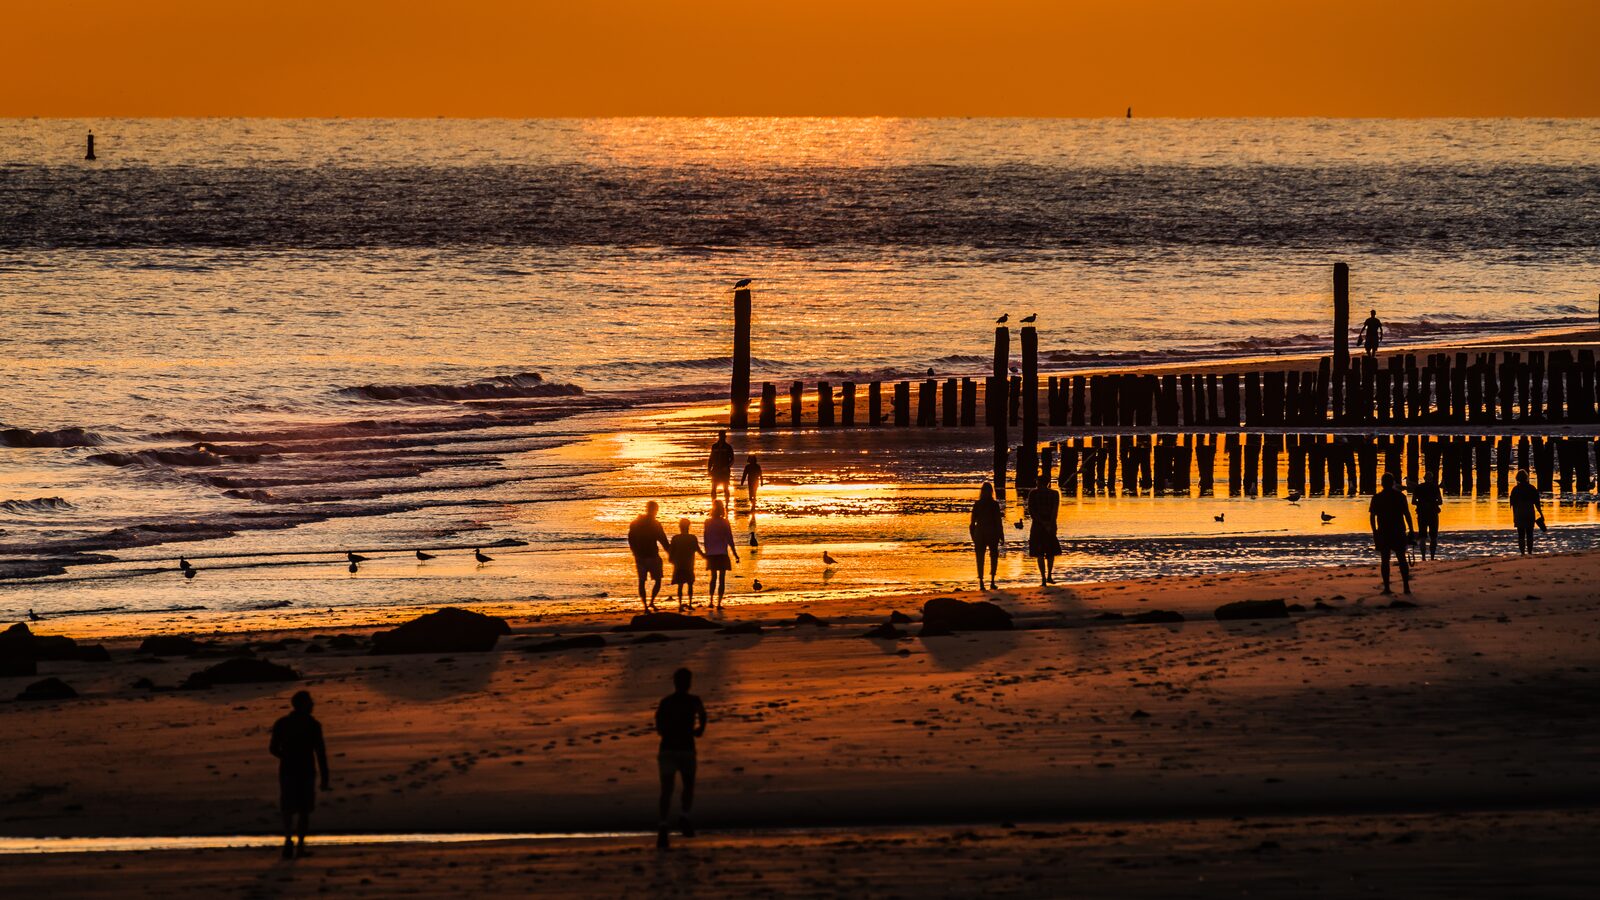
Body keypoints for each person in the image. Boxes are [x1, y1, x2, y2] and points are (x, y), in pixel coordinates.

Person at [269, 690, 330, 859]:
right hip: (305, 770)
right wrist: (325, 777)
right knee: (304, 810)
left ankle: (288, 840)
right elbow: (320, 752)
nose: (313, 704)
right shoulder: (313, 725)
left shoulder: (282, 723)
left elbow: (273, 749)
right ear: (304, 705)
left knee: (288, 808)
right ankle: (300, 847)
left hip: (287, 769)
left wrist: (286, 756)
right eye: (310, 702)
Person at [655, 667, 707, 850]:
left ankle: (663, 824)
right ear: (688, 683)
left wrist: (667, 732)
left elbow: (659, 725)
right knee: (688, 785)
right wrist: (699, 729)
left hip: (667, 749)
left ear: (675, 683)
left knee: (667, 789)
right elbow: (703, 714)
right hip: (686, 748)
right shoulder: (693, 700)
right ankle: (684, 816)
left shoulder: (666, 702)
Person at [1368, 473, 1414, 594]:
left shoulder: (1377, 498)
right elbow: (1407, 514)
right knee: (1402, 559)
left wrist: (1374, 532)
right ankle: (1406, 587)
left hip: (1384, 532)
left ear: (1382, 483)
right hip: (1398, 531)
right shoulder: (1400, 497)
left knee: (1385, 560)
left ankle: (1387, 588)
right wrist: (1412, 530)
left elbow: (1372, 517)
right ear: (1393, 483)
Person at [628, 501, 671, 612]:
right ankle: (651, 602)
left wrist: (634, 551)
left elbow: (630, 538)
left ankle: (646, 606)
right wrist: (671, 554)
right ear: (655, 510)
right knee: (657, 580)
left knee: (642, 581)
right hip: (652, 556)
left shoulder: (636, 523)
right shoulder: (655, 524)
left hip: (641, 556)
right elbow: (663, 541)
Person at [1027, 455, 1062, 586]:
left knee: (1039, 552)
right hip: (1050, 524)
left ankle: (1043, 578)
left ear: (1038, 482)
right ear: (1048, 483)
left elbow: (1032, 512)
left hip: (1037, 525)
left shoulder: (1033, 493)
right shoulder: (1054, 494)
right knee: (1051, 552)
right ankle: (1049, 576)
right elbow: (1055, 510)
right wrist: (1050, 524)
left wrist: (1042, 523)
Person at [703, 500, 740, 610]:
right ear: (722, 509)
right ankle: (719, 603)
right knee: (722, 579)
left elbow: (706, 538)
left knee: (713, 578)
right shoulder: (725, 522)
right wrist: (735, 554)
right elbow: (730, 539)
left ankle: (710, 601)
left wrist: (707, 552)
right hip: (722, 553)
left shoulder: (707, 522)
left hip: (711, 553)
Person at [969, 481, 1004, 590]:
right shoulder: (994, 504)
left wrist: (973, 536)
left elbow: (972, 523)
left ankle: (981, 582)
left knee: (980, 557)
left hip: (979, 532)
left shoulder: (977, 504)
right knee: (994, 556)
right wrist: (1001, 535)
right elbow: (998, 521)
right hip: (992, 532)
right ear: (991, 492)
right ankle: (992, 581)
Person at [668, 518, 705, 612]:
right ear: (688, 526)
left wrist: (673, 560)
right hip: (689, 564)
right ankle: (689, 603)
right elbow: (698, 550)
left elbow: (671, 554)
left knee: (680, 585)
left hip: (679, 564)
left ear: (680, 527)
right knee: (690, 584)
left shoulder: (675, 538)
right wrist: (706, 557)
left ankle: (680, 605)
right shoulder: (692, 538)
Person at [1508, 470, 1543, 555]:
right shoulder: (1532, 488)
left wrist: (1515, 517)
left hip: (1519, 512)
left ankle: (1522, 553)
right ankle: (1530, 552)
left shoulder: (1515, 489)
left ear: (1517, 478)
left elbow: (1512, 505)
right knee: (1529, 534)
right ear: (1526, 478)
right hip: (1529, 512)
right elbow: (1537, 503)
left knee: (1521, 534)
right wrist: (1541, 514)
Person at [1409, 475, 1443, 560]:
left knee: (1422, 536)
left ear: (1424, 478)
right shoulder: (1435, 487)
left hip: (1422, 514)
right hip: (1433, 513)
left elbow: (1413, 502)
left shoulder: (1418, 487)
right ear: (1431, 479)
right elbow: (1440, 501)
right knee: (1433, 537)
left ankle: (1423, 557)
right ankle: (1432, 557)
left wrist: (1421, 504)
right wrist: (1432, 503)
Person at [707, 432, 735, 505]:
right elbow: (711, 458)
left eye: (723, 436)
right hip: (715, 470)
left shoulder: (728, 447)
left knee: (725, 488)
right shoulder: (714, 446)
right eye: (721, 436)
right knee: (713, 488)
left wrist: (727, 467)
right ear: (719, 436)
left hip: (724, 471)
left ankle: (726, 505)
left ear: (725, 437)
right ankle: (713, 503)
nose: (722, 438)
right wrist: (709, 469)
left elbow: (732, 460)